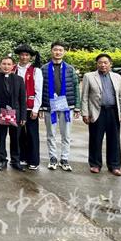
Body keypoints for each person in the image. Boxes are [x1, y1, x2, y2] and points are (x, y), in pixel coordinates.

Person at [81, 53, 121, 176]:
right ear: (97, 64)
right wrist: (85, 113)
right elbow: (85, 96)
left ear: (110, 64)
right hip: (97, 112)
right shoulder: (89, 76)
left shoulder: (117, 77)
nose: (103, 65)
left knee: (114, 140)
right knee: (95, 139)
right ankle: (95, 164)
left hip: (113, 111)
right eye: (100, 63)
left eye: (105, 63)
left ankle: (114, 166)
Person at [40, 41, 80, 172]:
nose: (58, 52)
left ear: (64, 52)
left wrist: (77, 106)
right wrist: (40, 107)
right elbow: (39, 89)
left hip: (66, 106)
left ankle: (64, 158)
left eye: (60, 50)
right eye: (55, 50)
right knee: (51, 134)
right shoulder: (44, 69)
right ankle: (52, 158)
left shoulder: (70, 69)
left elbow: (75, 87)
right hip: (49, 106)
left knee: (66, 134)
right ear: (51, 51)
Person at [0, 56, 27, 171]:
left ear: (13, 66)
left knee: (15, 138)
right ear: (0, 65)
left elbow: (22, 99)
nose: (6, 66)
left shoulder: (19, 79)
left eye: (8, 64)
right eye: (4, 64)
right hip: (0, 113)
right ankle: (2, 160)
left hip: (16, 114)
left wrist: (23, 116)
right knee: (1, 138)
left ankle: (15, 161)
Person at [13, 44, 43, 170]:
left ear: (30, 57)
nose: (24, 57)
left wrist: (36, 108)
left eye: (26, 55)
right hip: (17, 107)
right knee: (18, 134)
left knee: (32, 133)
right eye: (22, 55)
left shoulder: (36, 70)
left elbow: (39, 91)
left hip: (30, 107)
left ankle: (33, 160)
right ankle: (21, 157)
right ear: (18, 56)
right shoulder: (13, 69)